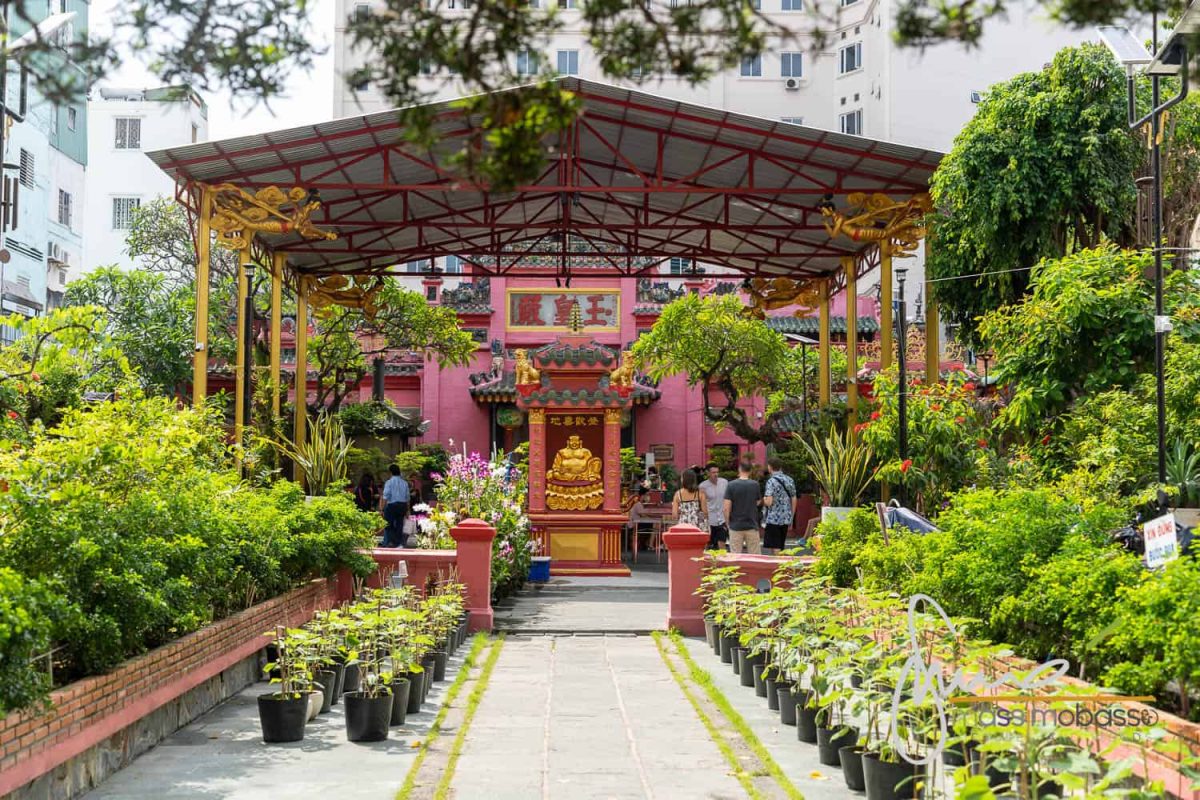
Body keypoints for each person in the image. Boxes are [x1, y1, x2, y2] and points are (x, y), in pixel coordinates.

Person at [723, 458, 762, 554]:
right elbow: (758, 502)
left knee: (735, 556)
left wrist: (727, 523)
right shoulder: (755, 485)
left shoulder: (731, 485)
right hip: (752, 524)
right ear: (750, 471)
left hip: (735, 525)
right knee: (755, 556)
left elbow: (726, 507)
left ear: (739, 469)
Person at [761, 456, 798, 555]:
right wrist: (792, 516)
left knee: (775, 546)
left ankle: (777, 567)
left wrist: (763, 500)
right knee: (781, 546)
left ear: (770, 467)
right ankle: (779, 566)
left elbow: (769, 502)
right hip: (786, 517)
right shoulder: (789, 479)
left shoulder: (771, 481)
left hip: (774, 518)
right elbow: (794, 498)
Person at [378, 464, 410, 548]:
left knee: (388, 525)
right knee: (399, 525)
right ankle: (398, 543)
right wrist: (407, 510)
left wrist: (381, 509)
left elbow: (385, 496)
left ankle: (389, 542)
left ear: (391, 472)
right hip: (402, 505)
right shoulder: (405, 483)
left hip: (392, 505)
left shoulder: (389, 482)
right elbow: (407, 498)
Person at [699, 462, 729, 550]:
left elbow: (728, 499)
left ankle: (723, 562)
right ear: (708, 473)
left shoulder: (724, 482)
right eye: (713, 472)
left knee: (722, 544)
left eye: (717, 472)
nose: (716, 474)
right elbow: (701, 503)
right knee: (706, 545)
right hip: (709, 519)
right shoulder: (702, 486)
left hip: (722, 519)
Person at [627, 486, 656, 553]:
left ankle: (648, 544)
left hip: (636, 524)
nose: (649, 497)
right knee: (656, 524)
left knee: (654, 524)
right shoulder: (638, 504)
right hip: (634, 525)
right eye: (647, 495)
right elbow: (643, 515)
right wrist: (652, 518)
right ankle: (650, 545)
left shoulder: (637, 503)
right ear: (643, 495)